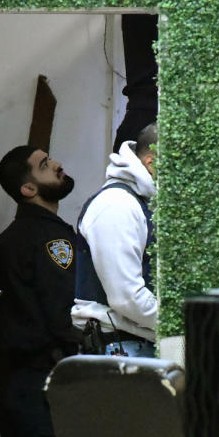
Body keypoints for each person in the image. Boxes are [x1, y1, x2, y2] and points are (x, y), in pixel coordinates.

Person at [0, 145, 81, 437]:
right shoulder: (53, 239)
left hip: (11, 383)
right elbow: (59, 312)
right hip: (44, 378)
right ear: (28, 188)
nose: (58, 165)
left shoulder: (5, 242)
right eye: (45, 165)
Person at [70, 123, 159, 356]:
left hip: (135, 344)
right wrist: (186, 322)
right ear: (152, 163)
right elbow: (127, 298)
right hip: (121, 348)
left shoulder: (139, 201)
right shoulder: (117, 204)